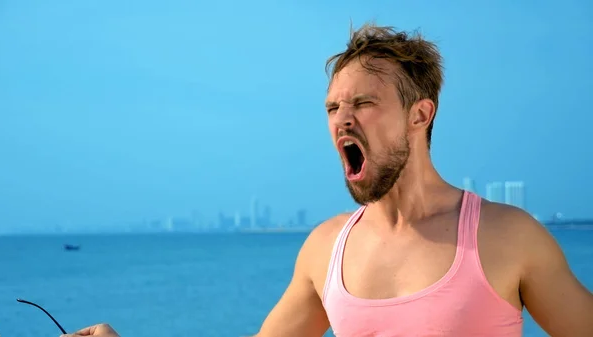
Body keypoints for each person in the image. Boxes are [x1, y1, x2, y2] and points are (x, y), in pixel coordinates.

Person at [60, 23, 593, 337]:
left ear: (420, 115)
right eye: (333, 107)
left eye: (364, 103)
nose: (342, 119)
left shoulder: (505, 237)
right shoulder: (325, 250)